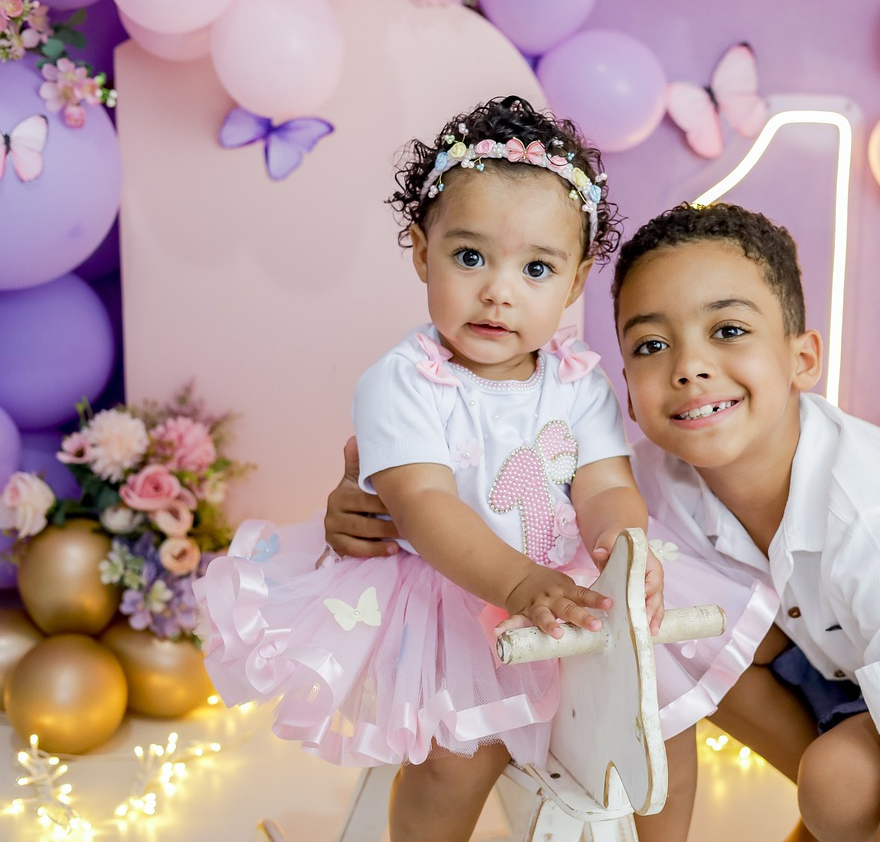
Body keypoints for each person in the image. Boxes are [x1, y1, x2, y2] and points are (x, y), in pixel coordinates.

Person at [326, 201, 880, 842]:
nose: (689, 366)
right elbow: (518, 502)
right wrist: (375, 500)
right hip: (836, 662)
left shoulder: (876, 520)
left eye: (728, 331)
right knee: (681, 647)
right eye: (652, 345)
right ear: (625, 380)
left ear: (802, 357)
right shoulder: (655, 477)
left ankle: (833, 804)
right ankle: (832, 797)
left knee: (844, 781)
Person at [196, 95, 666, 842]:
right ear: (422, 250)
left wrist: (622, 547)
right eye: (470, 256)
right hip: (451, 597)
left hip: (560, 586)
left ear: (575, 285)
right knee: (457, 757)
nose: (498, 290)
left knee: (649, 712)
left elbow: (606, 483)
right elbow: (423, 503)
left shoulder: (578, 381)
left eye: (537, 267)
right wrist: (517, 584)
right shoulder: (405, 380)